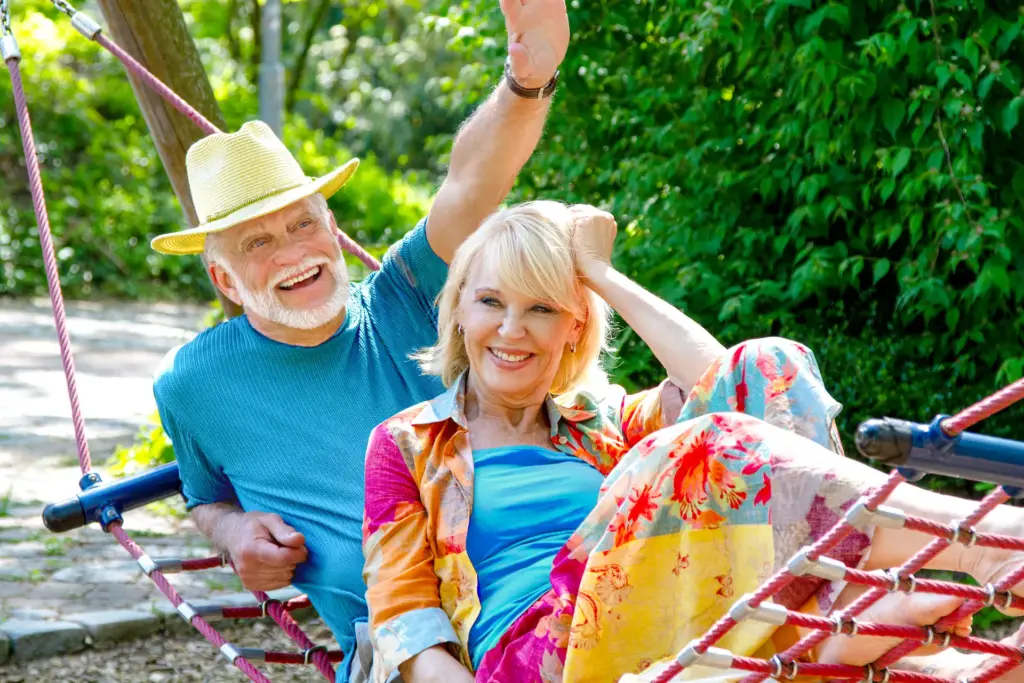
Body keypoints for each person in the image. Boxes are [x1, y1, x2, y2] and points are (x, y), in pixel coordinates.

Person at [361, 201, 1024, 682]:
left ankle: (850, 626)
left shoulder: (605, 420)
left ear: (574, 327)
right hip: (540, 656)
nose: (512, 330)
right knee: (688, 453)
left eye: (541, 308)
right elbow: (406, 625)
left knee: (768, 362)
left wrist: (601, 274)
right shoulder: (409, 443)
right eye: (490, 302)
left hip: (674, 625)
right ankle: (977, 547)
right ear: (458, 310)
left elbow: (730, 384)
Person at [148, 1, 570, 677]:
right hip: (407, 648)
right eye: (258, 241)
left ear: (333, 229)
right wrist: (232, 531)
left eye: (304, 224)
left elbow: (470, 185)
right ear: (224, 277)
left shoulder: (404, 295)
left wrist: (528, 81)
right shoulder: (194, 385)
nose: (295, 252)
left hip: (549, 592)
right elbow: (205, 494)